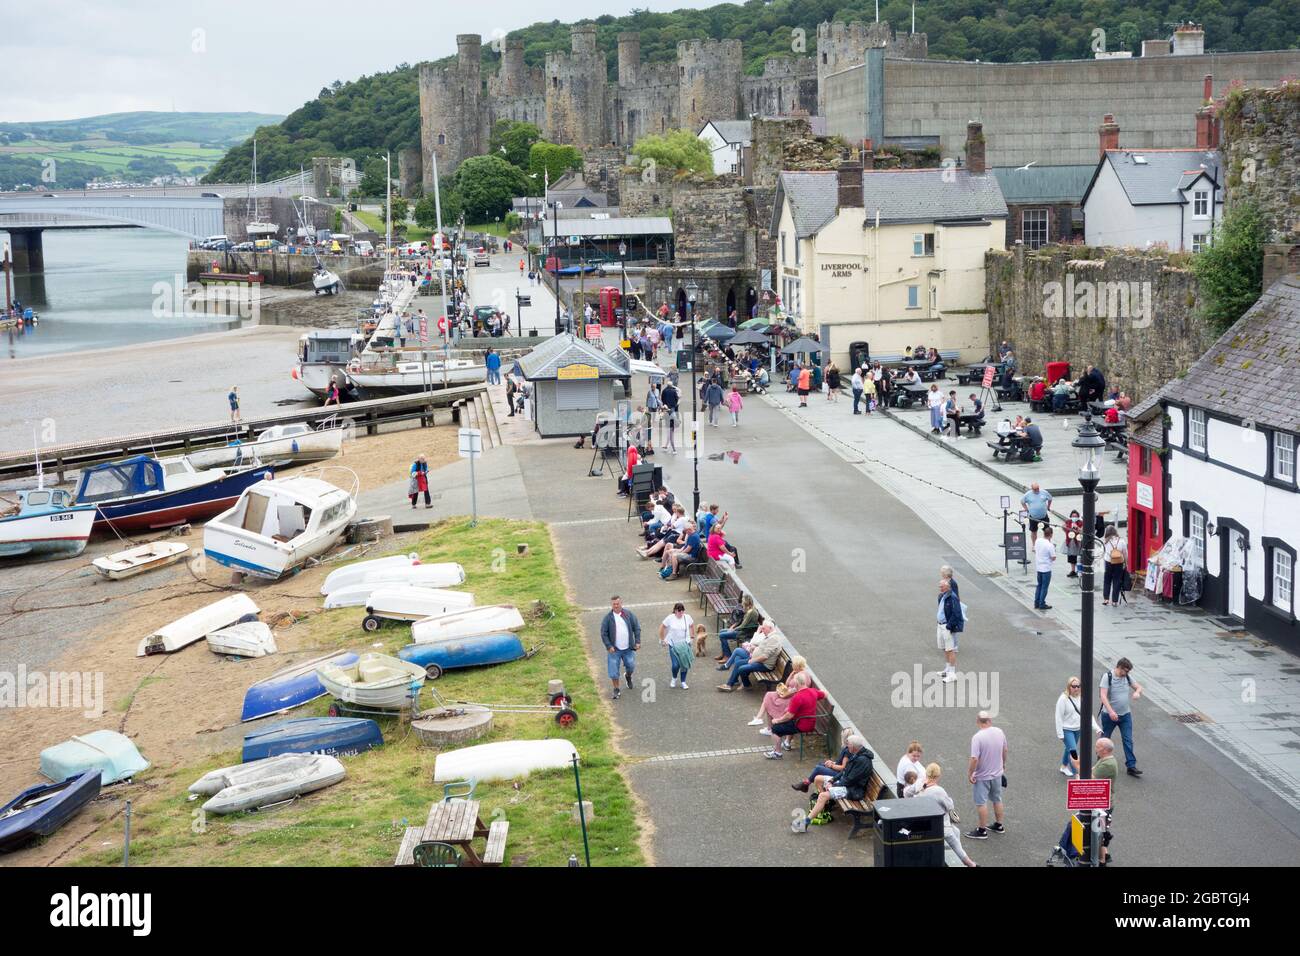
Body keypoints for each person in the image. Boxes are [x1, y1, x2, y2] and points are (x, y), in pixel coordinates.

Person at [797, 735, 874, 830]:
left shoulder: (862, 761)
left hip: (853, 790)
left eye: (848, 744)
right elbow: (845, 771)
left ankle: (806, 822)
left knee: (822, 796)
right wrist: (832, 780)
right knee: (818, 778)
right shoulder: (857, 754)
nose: (847, 746)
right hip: (847, 784)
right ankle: (824, 806)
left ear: (853, 747)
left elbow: (850, 780)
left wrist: (834, 785)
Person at [912, 763, 977, 866]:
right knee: (955, 844)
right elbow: (950, 806)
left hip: (926, 823)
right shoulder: (938, 791)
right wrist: (949, 798)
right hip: (940, 826)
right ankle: (971, 864)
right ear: (938, 776)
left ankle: (959, 859)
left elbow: (909, 793)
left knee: (956, 831)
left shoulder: (920, 784)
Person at [965, 711, 1007, 840]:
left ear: (978, 721)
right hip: (997, 774)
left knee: (981, 803)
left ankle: (982, 830)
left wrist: (970, 773)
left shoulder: (978, 737)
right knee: (997, 799)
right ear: (990, 720)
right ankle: (999, 825)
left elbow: (974, 759)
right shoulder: (999, 732)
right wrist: (1003, 765)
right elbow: (1004, 750)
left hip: (983, 776)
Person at [1100, 657, 1144, 777]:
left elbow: (1139, 687)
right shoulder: (1107, 677)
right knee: (1105, 740)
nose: (1127, 673)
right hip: (1109, 716)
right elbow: (1103, 696)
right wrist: (1111, 712)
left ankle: (1131, 766)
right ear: (1119, 667)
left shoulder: (1127, 677)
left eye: (1128, 671)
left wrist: (1137, 692)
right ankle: (1101, 760)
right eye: (1125, 670)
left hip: (1125, 715)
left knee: (1128, 740)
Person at [764, 680, 825, 759]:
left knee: (775, 729)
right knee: (788, 722)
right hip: (810, 722)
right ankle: (787, 743)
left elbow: (789, 715)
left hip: (801, 724)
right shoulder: (812, 691)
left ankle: (777, 753)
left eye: (793, 686)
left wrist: (777, 720)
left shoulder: (797, 697)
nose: (792, 688)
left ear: (796, 685)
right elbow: (825, 694)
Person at [716, 620, 781, 691]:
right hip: (758, 660)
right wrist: (755, 648)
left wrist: (753, 660)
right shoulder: (769, 636)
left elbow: (765, 656)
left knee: (741, 668)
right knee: (738, 663)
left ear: (770, 628)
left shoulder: (774, 639)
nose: (762, 630)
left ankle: (746, 684)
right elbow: (763, 649)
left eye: (764, 628)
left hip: (764, 665)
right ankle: (729, 685)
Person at [600, 596, 641, 700]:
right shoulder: (608, 618)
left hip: (628, 648)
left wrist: (637, 641)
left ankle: (628, 676)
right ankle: (616, 689)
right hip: (615, 650)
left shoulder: (628, 614)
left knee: (631, 665)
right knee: (613, 671)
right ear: (611, 605)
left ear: (621, 603)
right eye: (614, 604)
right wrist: (609, 646)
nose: (616, 606)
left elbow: (636, 628)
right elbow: (603, 633)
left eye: (618, 603)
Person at [1055, 675, 1094, 777]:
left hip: (1078, 728)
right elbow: (1058, 717)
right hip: (1067, 729)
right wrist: (1060, 734)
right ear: (1069, 687)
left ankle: (1064, 766)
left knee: (1069, 748)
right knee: (1073, 750)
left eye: (1078, 686)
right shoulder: (1063, 699)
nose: (1076, 688)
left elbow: (1086, 713)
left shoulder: (1081, 697)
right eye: (1074, 686)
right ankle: (1077, 773)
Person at [659, 603, 695, 689]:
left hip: (685, 644)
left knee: (684, 664)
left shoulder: (687, 617)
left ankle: (683, 681)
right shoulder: (670, 618)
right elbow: (662, 627)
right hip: (673, 645)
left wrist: (692, 637)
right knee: (675, 665)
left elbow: (692, 625)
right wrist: (662, 639)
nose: (681, 613)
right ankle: (674, 678)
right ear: (675, 611)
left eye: (682, 611)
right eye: (679, 611)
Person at [937, 577, 963, 684]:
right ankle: (947, 670)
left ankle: (952, 674)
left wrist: (949, 626)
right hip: (940, 625)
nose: (939, 588)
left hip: (947, 627)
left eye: (941, 586)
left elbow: (957, 614)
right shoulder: (942, 596)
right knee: (945, 648)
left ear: (947, 587)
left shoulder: (952, 597)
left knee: (950, 649)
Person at [1102, 523, 1128, 606]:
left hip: (1108, 562)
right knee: (1117, 581)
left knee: (1107, 581)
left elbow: (1103, 552)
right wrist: (1125, 563)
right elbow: (1125, 553)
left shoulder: (1105, 541)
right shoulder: (1121, 541)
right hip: (1119, 563)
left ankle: (1106, 599)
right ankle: (1115, 601)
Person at [1034, 524, 1057, 610]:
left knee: (1039, 585)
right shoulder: (1050, 545)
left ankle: (1036, 602)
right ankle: (1042, 604)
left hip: (1038, 567)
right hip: (1046, 568)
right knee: (1044, 587)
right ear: (1051, 534)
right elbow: (1053, 557)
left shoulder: (1038, 540)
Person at [1064, 509, 1083, 578]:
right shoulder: (1068, 521)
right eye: (1073, 516)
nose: (1074, 517)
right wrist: (1066, 528)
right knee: (1071, 556)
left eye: (1075, 516)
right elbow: (1064, 528)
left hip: (1078, 541)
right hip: (1070, 541)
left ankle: (1080, 570)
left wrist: (1077, 527)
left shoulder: (1081, 522)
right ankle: (1073, 570)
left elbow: (1082, 531)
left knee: (1080, 556)